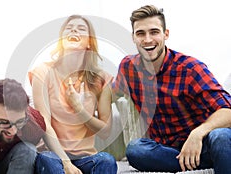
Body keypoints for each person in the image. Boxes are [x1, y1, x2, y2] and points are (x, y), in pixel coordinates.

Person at [112, 5, 231, 173]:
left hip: (202, 146)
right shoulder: (128, 68)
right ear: (133, 37)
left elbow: (228, 110)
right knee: (135, 149)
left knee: (222, 137)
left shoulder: (190, 69)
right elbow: (111, 91)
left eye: (154, 32)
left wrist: (198, 133)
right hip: (168, 152)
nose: (147, 40)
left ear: (165, 34)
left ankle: (207, 160)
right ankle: (190, 164)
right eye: (140, 33)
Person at [29, 15, 117, 174]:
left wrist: (79, 108)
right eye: (68, 28)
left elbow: (105, 131)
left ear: (89, 42)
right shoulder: (43, 72)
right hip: (54, 155)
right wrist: (66, 163)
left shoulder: (101, 79)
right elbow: (44, 124)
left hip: (85, 157)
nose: (74, 30)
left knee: (107, 161)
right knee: (48, 162)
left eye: (81, 29)